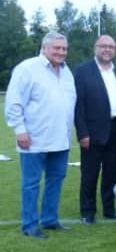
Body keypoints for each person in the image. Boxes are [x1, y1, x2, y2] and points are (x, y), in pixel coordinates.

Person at [5, 32, 76, 238]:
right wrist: (20, 130)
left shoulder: (67, 72)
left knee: (56, 180)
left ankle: (50, 219)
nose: (61, 52)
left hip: (61, 139)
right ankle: (29, 225)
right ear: (44, 48)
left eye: (64, 49)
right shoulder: (27, 68)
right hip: (33, 139)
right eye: (57, 48)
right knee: (31, 184)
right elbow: (14, 102)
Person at [73, 35, 116, 224]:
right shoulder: (82, 71)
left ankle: (109, 210)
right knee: (90, 174)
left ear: (115, 50)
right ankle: (87, 212)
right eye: (103, 46)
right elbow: (78, 106)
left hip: (115, 129)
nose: (107, 49)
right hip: (92, 131)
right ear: (95, 48)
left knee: (111, 173)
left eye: (111, 47)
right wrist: (82, 133)